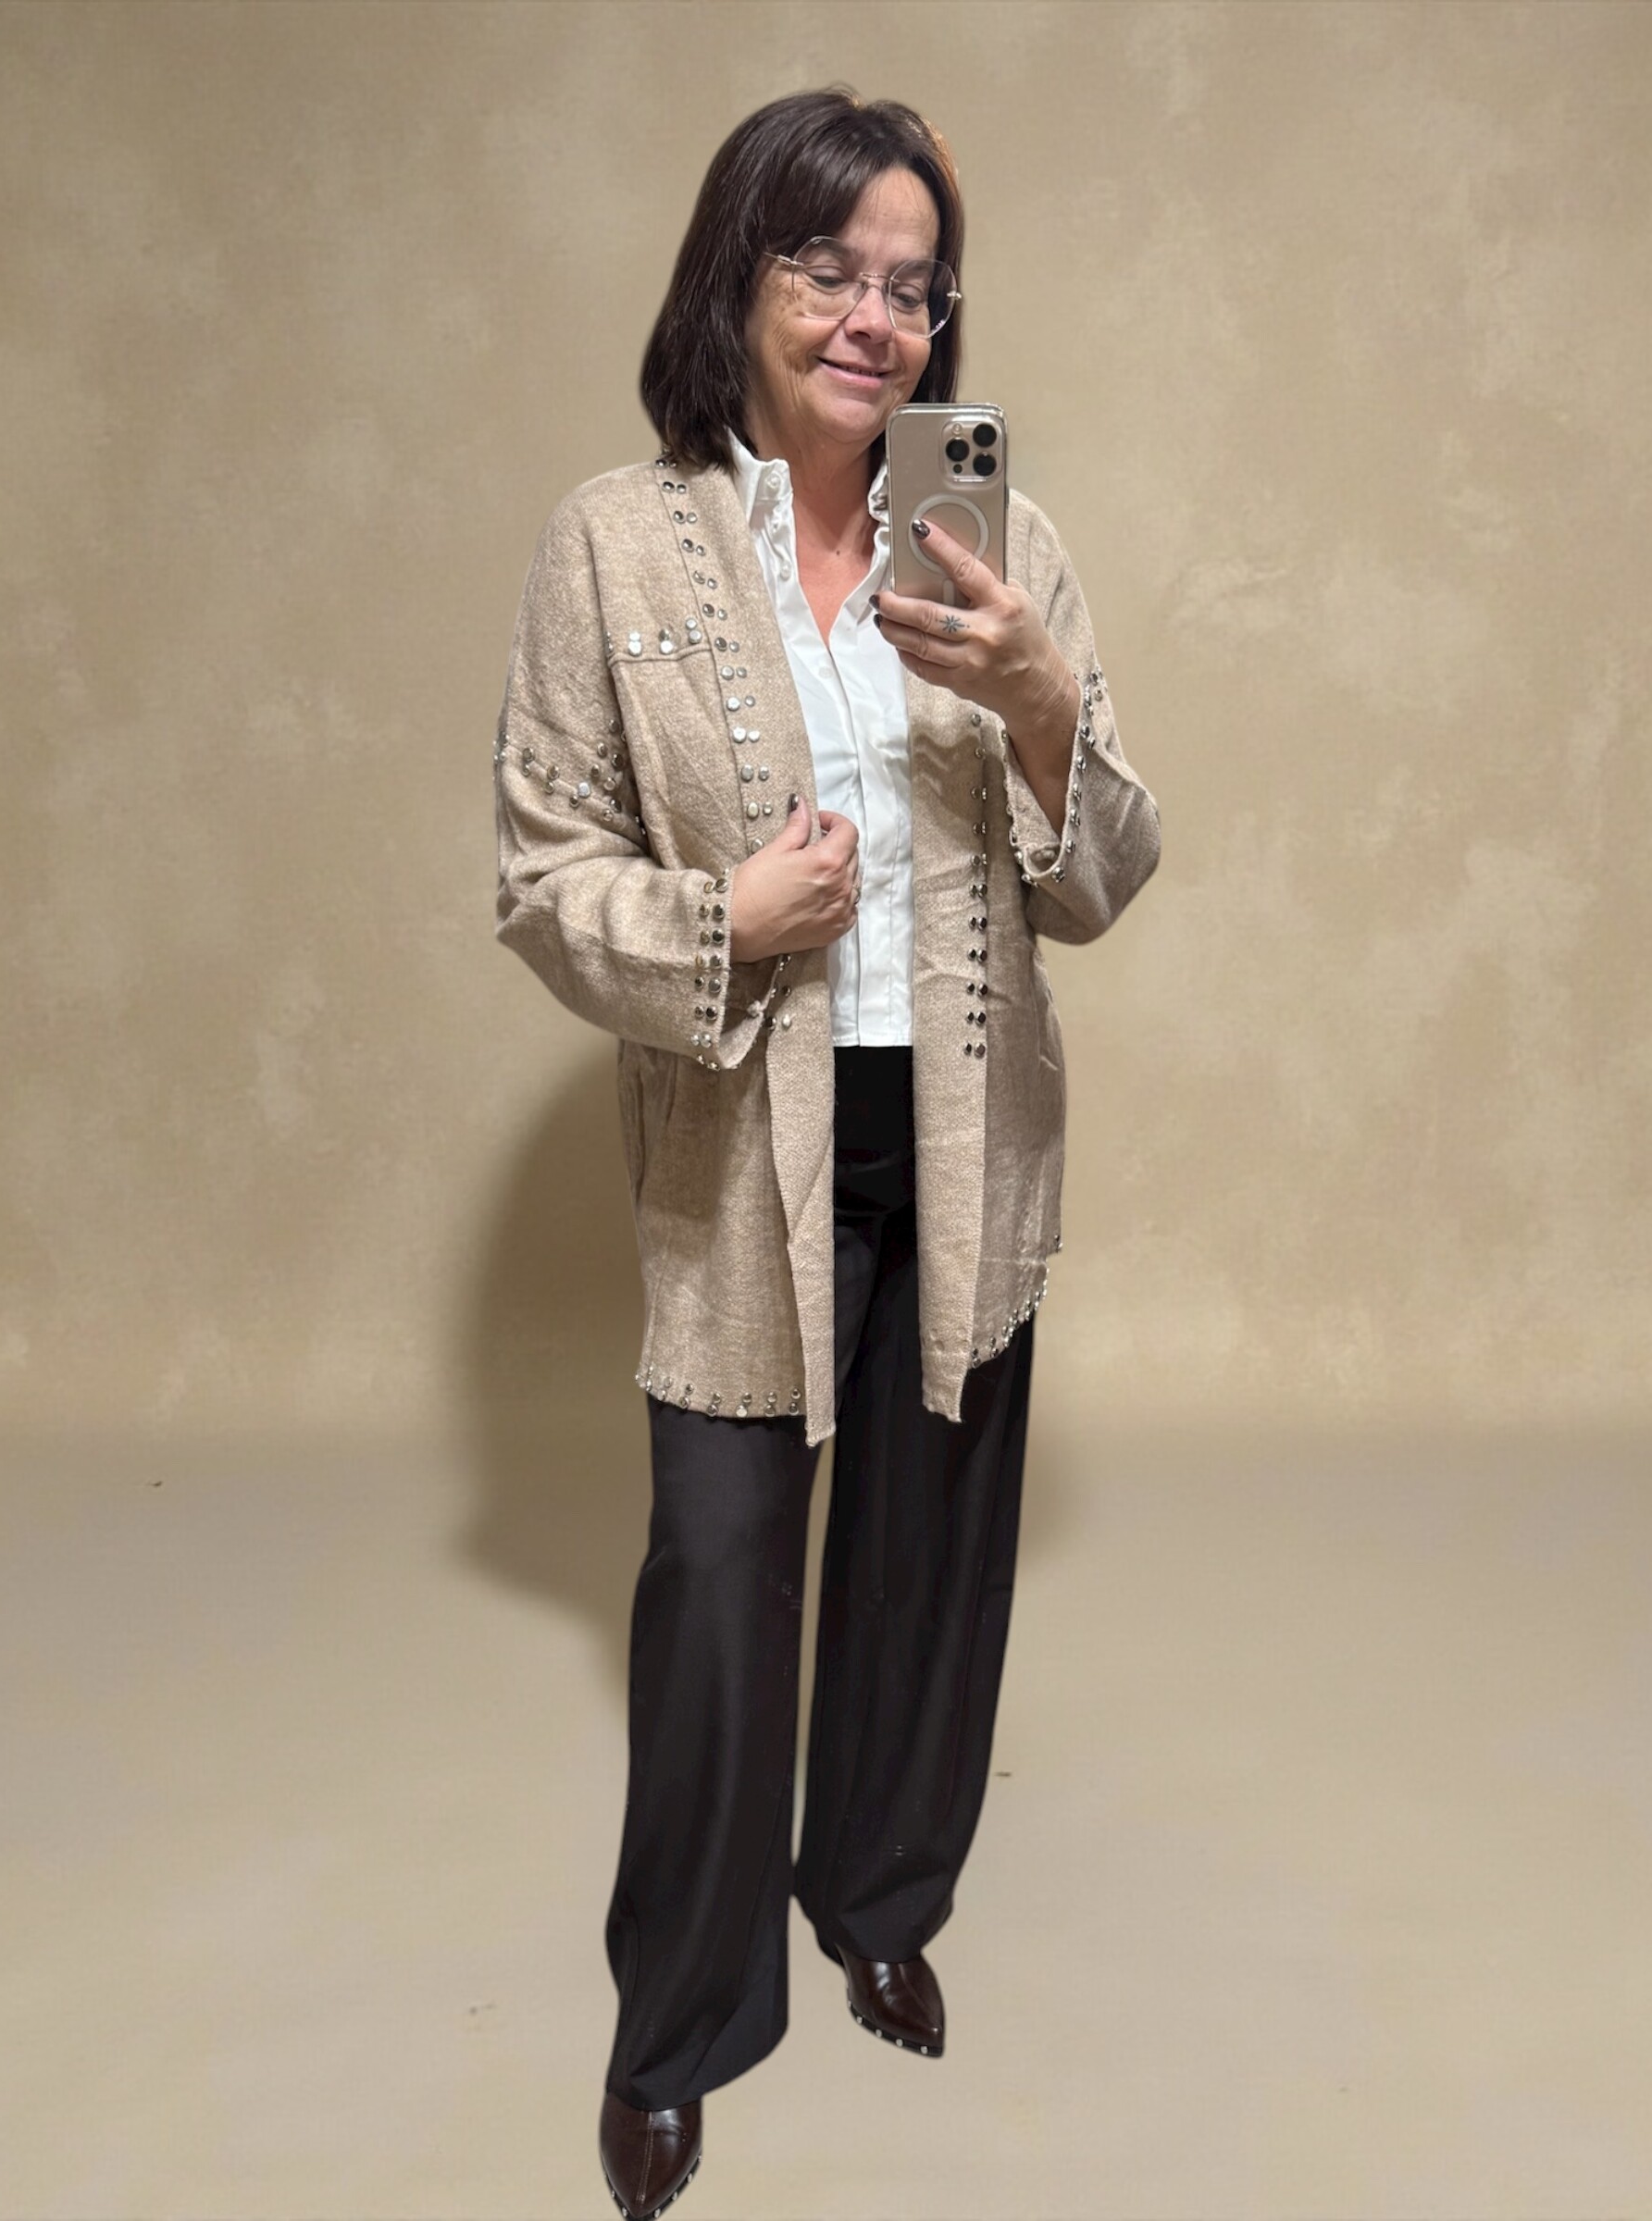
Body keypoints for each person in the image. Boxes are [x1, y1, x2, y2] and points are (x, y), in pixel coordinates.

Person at [492, 86, 1161, 2221]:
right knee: (718, 1587)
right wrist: (725, 920)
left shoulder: (999, 541)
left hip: (965, 1139)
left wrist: (1040, 700)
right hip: (738, 1160)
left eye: (914, 282)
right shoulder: (616, 543)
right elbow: (542, 879)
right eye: (829, 268)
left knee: (926, 1564)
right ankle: (681, 2032)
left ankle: (877, 1898)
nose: (878, 316)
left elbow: (1108, 877)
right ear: (740, 275)